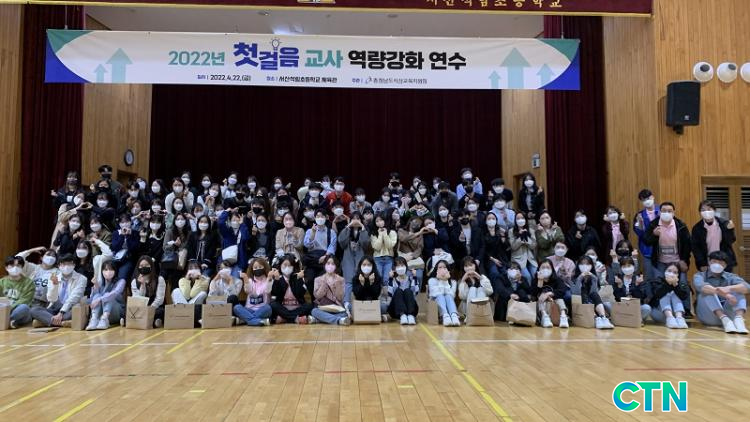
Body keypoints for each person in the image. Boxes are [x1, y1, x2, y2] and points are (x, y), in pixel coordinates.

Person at [644, 202, 692, 316]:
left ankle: (686, 310)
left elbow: (687, 244)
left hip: (677, 262)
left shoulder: (681, 225)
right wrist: (654, 235)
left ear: (673, 212)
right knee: (659, 285)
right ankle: (662, 309)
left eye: (669, 211)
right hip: (660, 262)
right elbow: (646, 241)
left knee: (682, 284)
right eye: (664, 211)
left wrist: (684, 260)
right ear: (659, 212)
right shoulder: (653, 224)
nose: (666, 213)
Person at [693, 251, 748, 334]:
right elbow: (702, 287)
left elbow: (747, 287)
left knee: (739, 290)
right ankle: (724, 319)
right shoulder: (699, 275)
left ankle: (739, 320)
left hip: (730, 315)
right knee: (707, 291)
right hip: (708, 316)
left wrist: (728, 288)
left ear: (725, 265)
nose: (717, 264)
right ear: (709, 262)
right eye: (714, 261)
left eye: (720, 262)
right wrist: (726, 294)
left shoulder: (730, 276)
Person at [30, 254, 86, 328]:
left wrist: (61, 312)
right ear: (59, 265)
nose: (66, 266)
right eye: (63, 264)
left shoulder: (82, 278)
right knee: (34, 310)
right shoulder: (54, 277)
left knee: (77, 310)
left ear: (74, 265)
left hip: (70, 308)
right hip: (55, 308)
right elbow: (51, 299)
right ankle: (62, 323)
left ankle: (47, 321)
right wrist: (55, 285)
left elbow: (74, 297)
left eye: (69, 264)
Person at [691, 200, 736, 273]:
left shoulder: (724, 223)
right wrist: (702, 263)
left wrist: (730, 230)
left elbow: (731, 240)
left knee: (726, 280)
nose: (706, 212)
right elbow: (696, 248)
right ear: (700, 212)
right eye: (703, 210)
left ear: (714, 210)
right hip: (707, 262)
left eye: (709, 209)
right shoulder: (697, 228)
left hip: (724, 261)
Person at [573, 256, 614, 329]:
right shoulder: (574, 276)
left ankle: (603, 317)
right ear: (578, 265)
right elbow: (576, 292)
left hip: (592, 299)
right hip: (580, 300)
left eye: (587, 264)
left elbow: (594, 291)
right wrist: (580, 277)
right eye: (582, 264)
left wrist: (594, 278)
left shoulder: (593, 276)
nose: (585, 266)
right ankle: (596, 318)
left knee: (595, 294)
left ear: (591, 266)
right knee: (583, 294)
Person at [269, 255, 313, 324]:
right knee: (273, 305)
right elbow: (275, 293)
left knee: (309, 306)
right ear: (280, 266)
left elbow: (301, 294)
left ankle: (285, 319)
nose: (287, 267)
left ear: (293, 267)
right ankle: (295, 319)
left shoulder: (297, 277)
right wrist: (277, 280)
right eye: (285, 265)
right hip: (283, 308)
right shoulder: (278, 278)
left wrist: (300, 280)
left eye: (289, 266)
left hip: (297, 307)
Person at [302, 209, 338, 293]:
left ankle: (320, 298)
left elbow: (332, 247)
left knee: (322, 280)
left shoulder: (331, 232)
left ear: (326, 217)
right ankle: (313, 298)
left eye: (322, 216)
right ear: (314, 218)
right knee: (309, 279)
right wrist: (313, 234)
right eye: (318, 216)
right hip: (312, 260)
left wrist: (325, 257)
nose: (320, 218)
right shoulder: (309, 231)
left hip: (325, 258)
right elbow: (306, 245)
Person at [339, 213, 370, 303]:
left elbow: (365, 244)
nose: (355, 221)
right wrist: (348, 226)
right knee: (348, 282)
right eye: (353, 219)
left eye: (358, 219)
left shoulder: (365, 230)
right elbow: (341, 242)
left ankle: (361, 303)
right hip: (348, 259)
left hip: (361, 259)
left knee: (361, 280)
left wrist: (362, 228)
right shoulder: (347, 230)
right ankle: (346, 303)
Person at [309, 257, 351, 325]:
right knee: (314, 311)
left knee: (345, 313)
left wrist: (337, 284)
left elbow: (340, 298)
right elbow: (318, 296)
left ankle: (319, 320)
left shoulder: (341, 279)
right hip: (323, 308)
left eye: (333, 264)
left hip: (337, 308)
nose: (330, 266)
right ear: (324, 265)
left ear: (336, 266)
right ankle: (338, 320)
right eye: (328, 263)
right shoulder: (318, 279)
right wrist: (324, 284)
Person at [85, 261, 125, 330]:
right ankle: (94, 319)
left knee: (107, 295)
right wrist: (96, 286)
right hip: (100, 313)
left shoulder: (121, 281)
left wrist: (100, 299)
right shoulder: (100, 282)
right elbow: (92, 300)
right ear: (102, 271)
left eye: (111, 269)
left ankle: (105, 319)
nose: (108, 272)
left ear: (115, 271)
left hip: (116, 311)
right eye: (106, 269)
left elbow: (114, 293)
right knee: (97, 295)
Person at [612, 257, 652, 324]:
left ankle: (632, 319)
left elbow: (641, 297)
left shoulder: (639, 278)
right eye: (624, 266)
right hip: (623, 306)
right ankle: (631, 319)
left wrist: (636, 285)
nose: (627, 268)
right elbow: (617, 298)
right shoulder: (618, 279)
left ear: (633, 266)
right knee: (607, 305)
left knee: (647, 308)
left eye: (629, 266)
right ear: (621, 268)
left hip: (636, 306)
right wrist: (620, 286)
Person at [130, 256, 166, 328]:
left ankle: (152, 321)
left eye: (146, 265)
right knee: (126, 310)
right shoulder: (134, 281)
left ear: (151, 266)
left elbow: (160, 299)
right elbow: (137, 299)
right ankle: (153, 322)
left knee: (160, 311)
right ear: (138, 267)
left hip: (154, 307)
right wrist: (142, 285)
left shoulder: (159, 279)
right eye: (141, 266)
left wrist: (149, 309)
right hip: (140, 308)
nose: (144, 267)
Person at [234, 258, 272, 326]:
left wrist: (269, 278)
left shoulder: (268, 279)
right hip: (249, 309)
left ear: (264, 267)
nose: (258, 269)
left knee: (268, 308)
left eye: (260, 267)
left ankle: (244, 320)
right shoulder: (250, 280)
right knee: (237, 307)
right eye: (255, 267)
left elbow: (267, 290)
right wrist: (246, 280)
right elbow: (247, 291)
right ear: (252, 269)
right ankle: (258, 321)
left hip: (262, 309)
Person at [532, 259, 569, 328]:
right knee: (541, 299)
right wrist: (540, 281)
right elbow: (534, 294)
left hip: (554, 301)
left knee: (560, 299)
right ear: (539, 269)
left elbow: (562, 291)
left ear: (552, 269)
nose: (545, 269)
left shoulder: (557, 279)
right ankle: (544, 317)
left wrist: (549, 294)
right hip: (541, 303)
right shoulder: (535, 280)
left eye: (548, 267)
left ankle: (563, 317)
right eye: (543, 267)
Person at [650, 263, 690, 329]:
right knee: (666, 293)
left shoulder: (680, 283)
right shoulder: (658, 280)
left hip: (675, 315)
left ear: (678, 275)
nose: (671, 274)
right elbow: (657, 294)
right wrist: (667, 284)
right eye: (669, 271)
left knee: (675, 294)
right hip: (659, 313)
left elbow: (684, 297)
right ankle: (669, 317)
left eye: (675, 272)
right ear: (664, 271)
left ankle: (680, 318)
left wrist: (676, 286)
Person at [0, 256, 35, 328]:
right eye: (12, 265)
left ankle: (5, 322)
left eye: (18, 265)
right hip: (3, 311)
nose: (15, 268)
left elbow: (25, 300)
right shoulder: (1, 282)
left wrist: (9, 308)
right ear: (6, 268)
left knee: (24, 307)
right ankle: (11, 323)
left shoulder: (29, 283)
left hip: (18, 311)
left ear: (22, 267)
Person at [633, 189, 659, 279]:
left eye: (648, 198)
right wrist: (640, 223)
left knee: (662, 277)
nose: (647, 201)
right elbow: (639, 233)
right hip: (648, 250)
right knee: (649, 276)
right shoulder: (639, 215)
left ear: (653, 197)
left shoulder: (662, 210)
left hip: (662, 249)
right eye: (643, 200)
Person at [385, 256, 419, 325]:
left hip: (411, 309)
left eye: (402, 265)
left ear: (406, 267)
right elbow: (390, 294)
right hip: (396, 311)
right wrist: (390, 278)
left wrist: (415, 277)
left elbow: (416, 292)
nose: (400, 267)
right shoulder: (392, 280)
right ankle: (402, 315)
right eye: (398, 266)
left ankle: (410, 315)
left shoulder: (411, 278)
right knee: (398, 291)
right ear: (394, 269)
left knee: (407, 290)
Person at [218, 208, 251, 275]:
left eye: (237, 220)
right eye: (233, 220)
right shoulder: (227, 232)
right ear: (230, 221)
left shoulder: (243, 229)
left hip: (239, 263)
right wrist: (226, 212)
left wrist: (242, 224)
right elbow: (221, 223)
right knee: (224, 277)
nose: (235, 222)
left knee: (235, 277)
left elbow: (245, 237)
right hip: (226, 262)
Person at [427, 260, 460, 327]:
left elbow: (452, 295)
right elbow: (435, 294)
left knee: (448, 296)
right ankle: (445, 316)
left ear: (448, 270)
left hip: (448, 301)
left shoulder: (453, 282)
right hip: (435, 301)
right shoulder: (432, 280)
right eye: (440, 267)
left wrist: (445, 280)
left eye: (445, 267)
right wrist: (442, 280)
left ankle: (454, 316)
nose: (442, 270)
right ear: (436, 269)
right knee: (440, 296)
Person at [398, 216, 427, 287]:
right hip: (404, 259)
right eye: (415, 221)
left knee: (418, 276)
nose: (417, 224)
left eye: (419, 223)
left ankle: (416, 293)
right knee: (407, 277)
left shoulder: (420, 235)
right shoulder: (401, 231)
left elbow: (420, 248)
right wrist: (418, 233)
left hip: (415, 259)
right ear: (410, 221)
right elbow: (403, 239)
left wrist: (412, 256)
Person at [508, 212, 538, 282]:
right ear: (515, 220)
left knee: (535, 274)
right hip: (518, 260)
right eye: (518, 218)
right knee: (527, 277)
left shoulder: (531, 230)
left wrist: (527, 238)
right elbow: (513, 247)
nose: (520, 220)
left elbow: (533, 246)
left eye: (522, 218)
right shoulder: (511, 231)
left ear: (525, 219)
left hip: (530, 258)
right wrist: (520, 236)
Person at [371, 213, 397, 281]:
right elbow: (377, 247)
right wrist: (380, 235)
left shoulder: (392, 232)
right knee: (378, 278)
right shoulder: (373, 234)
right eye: (377, 221)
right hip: (377, 258)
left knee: (387, 279)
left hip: (389, 258)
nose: (379, 222)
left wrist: (385, 234)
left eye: (381, 220)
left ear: (385, 220)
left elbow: (389, 246)